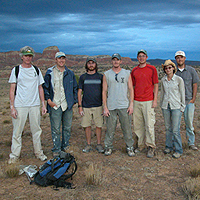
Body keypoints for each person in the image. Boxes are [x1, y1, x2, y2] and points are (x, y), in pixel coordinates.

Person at [8, 46, 47, 164]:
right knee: (17, 131)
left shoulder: (36, 70)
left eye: (30, 56)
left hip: (34, 104)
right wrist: (12, 106)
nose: (28, 58)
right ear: (22, 57)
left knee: (36, 130)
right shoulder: (16, 70)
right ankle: (14, 155)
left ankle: (39, 152)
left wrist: (43, 104)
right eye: (26, 56)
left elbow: (40, 87)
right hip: (20, 105)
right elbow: (12, 89)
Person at [43, 52, 78, 157]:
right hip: (55, 104)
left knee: (67, 127)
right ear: (55, 60)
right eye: (59, 58)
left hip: (67, 104)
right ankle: (56, 149)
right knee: (56, 128)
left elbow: (75, 88)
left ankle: (65, 146)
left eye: (63, 58)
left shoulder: (70, 73)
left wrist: (73, 101)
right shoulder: (50, 73)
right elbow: (46, 87)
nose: (61, 60)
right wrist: (49, 101)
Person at [103, 53, 135, 157]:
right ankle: (108, 147)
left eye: (118, 60)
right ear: (111, 61)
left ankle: (130, 147)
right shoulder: (107, 74)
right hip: (111, 106)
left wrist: (131, 104)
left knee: (127, 129)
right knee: (110, 129)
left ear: (121, 61)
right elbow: (104, 91)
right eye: (114, 60)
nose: (116, 62)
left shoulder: (126, 73)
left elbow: (131, 89)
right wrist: (105, 107)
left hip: (124, 105)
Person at [131, 49, 159, 158]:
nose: (141, 58)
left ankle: (151, 146)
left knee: (149, 124)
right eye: (139, 56)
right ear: (137, 58)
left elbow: (156, 84)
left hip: (148, 101)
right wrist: (132, 101)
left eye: (143, 56)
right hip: (137, 101)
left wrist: (155, 99)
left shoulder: (152, 69)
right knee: (138, 125)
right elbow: (133, 86)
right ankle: (140, 145)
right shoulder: (134, 70)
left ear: (146, 57)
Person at [78, 57, 104, 153]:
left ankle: (98, 144)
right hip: (86, 106)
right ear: (86, 65)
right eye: (89, 63)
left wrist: (104, 106)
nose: (91, 65)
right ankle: (88, 145)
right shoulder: (83, 77)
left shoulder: (100, 77)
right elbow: (79, 91)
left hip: (98, 105)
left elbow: (104, 91)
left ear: (96, 65)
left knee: (98, 126)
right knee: (87, 126)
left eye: (93, 63)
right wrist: (80, 106)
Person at [160, 60, 185, 158]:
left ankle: (178, 149)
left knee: (175, 129)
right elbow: (162, 94)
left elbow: (182, 93)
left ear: (173, 68)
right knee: (168, 128)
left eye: (169, 67)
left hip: (176, 107)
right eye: (166, 68)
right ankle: (169, 146)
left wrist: (182, 107)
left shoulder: (179, 80)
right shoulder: (163, 80)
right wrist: (161, 105)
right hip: (166, 106)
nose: (168, 69)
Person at [175, 50, 200, 150]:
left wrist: (193, 98)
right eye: (177, 57)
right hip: (176, 102)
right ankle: (176, 143)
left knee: (189, 123)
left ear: (184, 58)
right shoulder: (173, 71)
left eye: (181, 57)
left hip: (188, 101)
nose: (179, 59)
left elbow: (195, 84)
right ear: (175, 59)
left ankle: (191, 142)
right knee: (175, 125)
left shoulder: (191, 70)